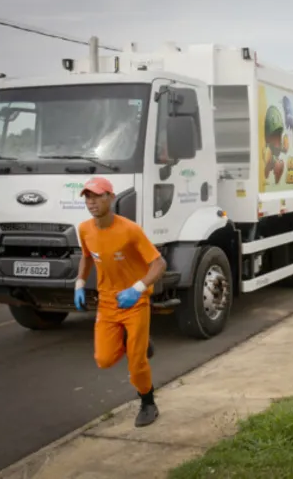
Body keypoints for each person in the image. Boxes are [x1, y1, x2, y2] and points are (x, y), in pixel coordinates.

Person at [73, 176, 167, 428]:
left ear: (110, 198)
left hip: (135, 302)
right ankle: (138, 340)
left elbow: (159, 264)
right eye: (87, 197)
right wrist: (79, 283)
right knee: (103, 359)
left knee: (136, 362)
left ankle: (147, 402)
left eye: (96, 196)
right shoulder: (84, 229)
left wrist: (137, 289)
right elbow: (86, 257)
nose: (91, 202)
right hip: (107, 302)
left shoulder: (130, 230)